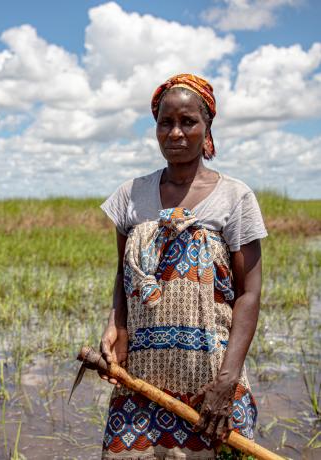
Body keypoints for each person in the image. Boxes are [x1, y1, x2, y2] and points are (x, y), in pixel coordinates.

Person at [98, 74, 268, 459]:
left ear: (206, 127)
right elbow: (124, 277)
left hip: (210, 378)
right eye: (165, 122)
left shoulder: (234, 197)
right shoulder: (131, 195)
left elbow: (249, 293)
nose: (175, 133)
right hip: (142, 377)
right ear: (155, 127)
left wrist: (226, 382)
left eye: (188, 122)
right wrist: (116, 325)